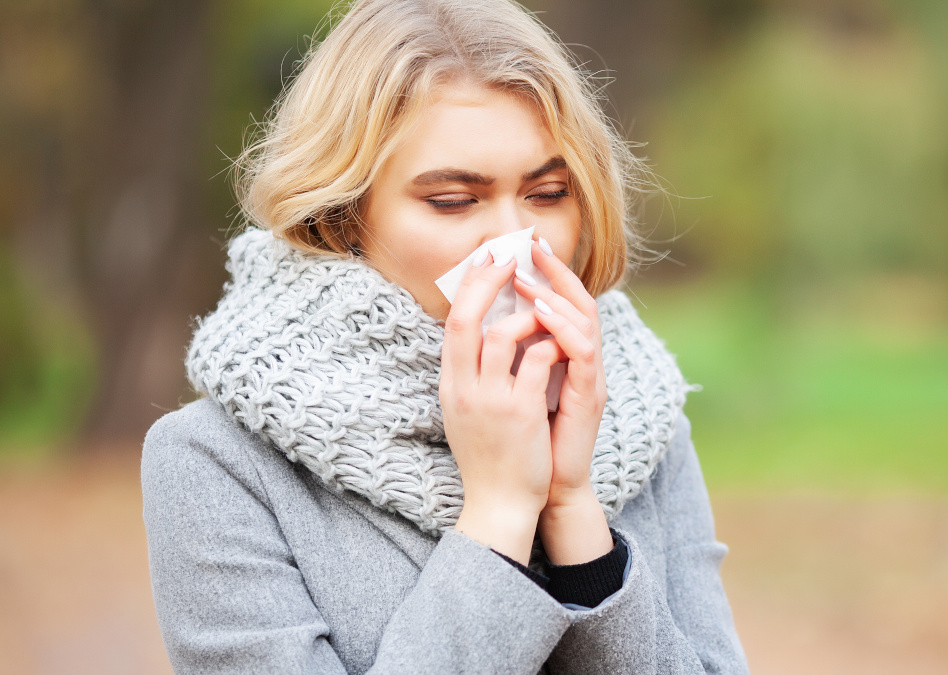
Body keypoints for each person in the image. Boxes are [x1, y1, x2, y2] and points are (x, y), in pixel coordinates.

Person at [141, 0, 749, 672]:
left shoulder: (638, 414)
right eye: (454, 201)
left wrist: (574, 509)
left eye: (548, 192)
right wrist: (499, 511)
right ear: (343, 216)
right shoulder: (216, 461)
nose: (516, 240)